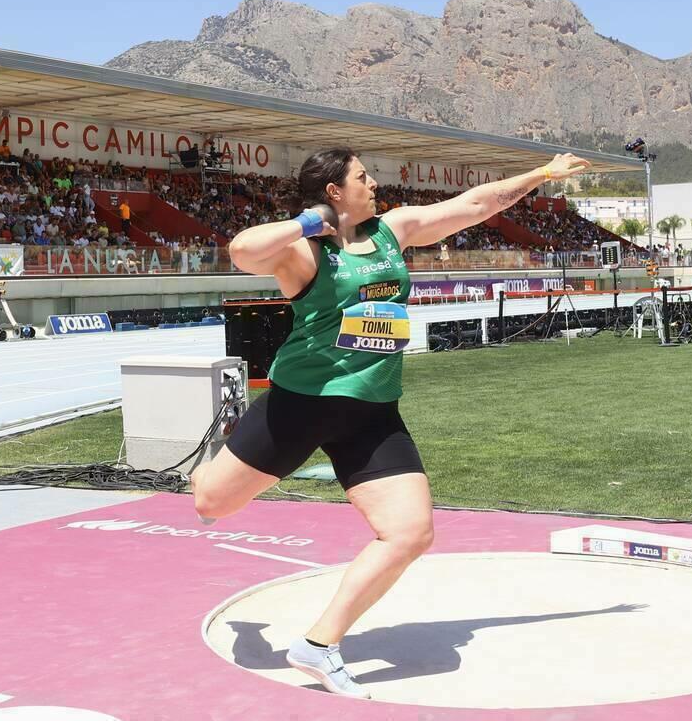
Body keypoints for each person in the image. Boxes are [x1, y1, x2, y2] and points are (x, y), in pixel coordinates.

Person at [189, 146, 589, 699]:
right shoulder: (304, 253)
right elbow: (240, 250)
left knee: (410, 532)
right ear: (334, 191)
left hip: (372, 411)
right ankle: (214, 465)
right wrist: (315, 223)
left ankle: (319, 645)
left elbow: (474, 205)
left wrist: (543, 174)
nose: (374, 183)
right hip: (301, 406)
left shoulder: (391, 232)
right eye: (362, 176)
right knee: (210, 504)